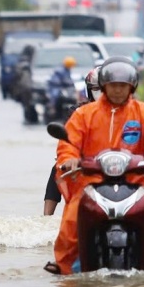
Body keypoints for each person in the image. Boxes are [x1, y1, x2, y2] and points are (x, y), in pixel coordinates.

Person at [44, 57, 144, 274]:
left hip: (138, 179)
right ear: (103, 86)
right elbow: (68, 143)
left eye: (123, 86)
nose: (118, 91)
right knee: (72, 217)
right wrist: (70, 159)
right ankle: (64, 263)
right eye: (113, 86)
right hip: (91, 179)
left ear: (131, 87)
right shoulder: (84, 114)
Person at [44, 65, 101, 216]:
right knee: (58, 167)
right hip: (85, 159)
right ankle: (46, 218)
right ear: (90, 90)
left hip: (117, 161)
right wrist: (69, 157)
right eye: (97, 89)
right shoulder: (78, 113)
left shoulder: (131, 112)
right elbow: (68, 140)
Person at [46, 56, 77, 122]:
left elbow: (69, 79)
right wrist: (65, 82)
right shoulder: (59, 71)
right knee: (55, 95)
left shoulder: (68, 70)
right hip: (56, 87)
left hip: (65, 87)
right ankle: (52, 107)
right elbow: (56, 80)